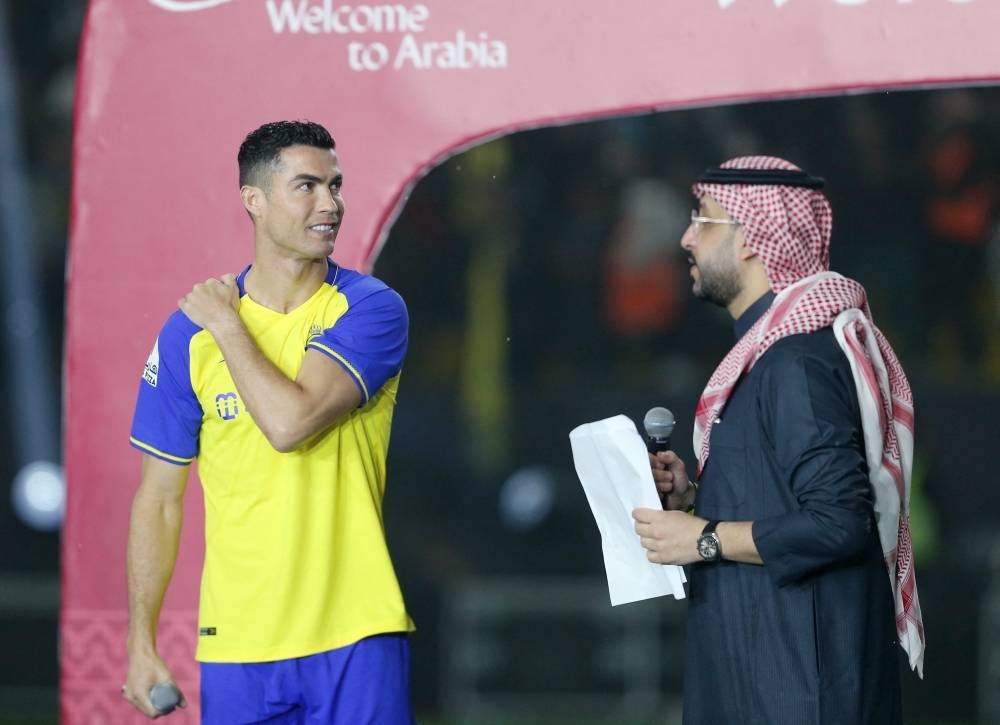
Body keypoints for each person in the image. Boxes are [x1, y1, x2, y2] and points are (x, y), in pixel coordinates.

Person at [122, 120, 415, 723]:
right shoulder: (186, 336)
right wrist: (140, 643)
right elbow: (158, 499)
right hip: (237, 646)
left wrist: (228, 326)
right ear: (253, 200)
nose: (330, 203)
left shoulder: (370, 308)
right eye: (306, 186)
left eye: (335, 185)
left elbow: (291, 423)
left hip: (356, 633)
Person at [631, 156, 925, 724]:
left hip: (800, 689)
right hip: (766, 675)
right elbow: (786, 497)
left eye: (704, 220)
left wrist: (705, 537)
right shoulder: (772, 355)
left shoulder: (798, 362)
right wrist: (696, 498)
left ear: (750, 237)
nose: (687, 237)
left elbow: (839, 522)